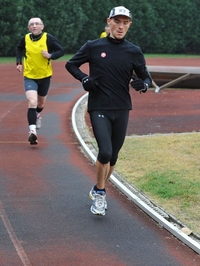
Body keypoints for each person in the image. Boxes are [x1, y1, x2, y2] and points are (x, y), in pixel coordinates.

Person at [65, 6, 152, 216]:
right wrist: (84, 79)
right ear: (109, 22)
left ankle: (97, 188)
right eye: (117, 22)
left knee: (113, 157)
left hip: (122, 107)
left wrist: (144, 84)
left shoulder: (133, 50)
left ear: (129, 25)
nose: (121, 27)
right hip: (99, 106)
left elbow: (145, 76)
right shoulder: (93, 46)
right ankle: (101, 193)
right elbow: (71, 64)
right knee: (104, 151)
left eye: (125, 23)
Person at [16, 17, 64, 145]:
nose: (34, 26)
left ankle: (37, 114)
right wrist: (19, 62)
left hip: (45, 76)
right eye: (31, 24)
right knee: (32, 101)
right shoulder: (25, 38)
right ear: (28, 28)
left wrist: (50, 55)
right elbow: (19, 49)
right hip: (30, 76)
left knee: (41, 104)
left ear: (42, 27)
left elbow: (61, 51)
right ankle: (32, 132)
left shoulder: (48, 38)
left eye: (37, 24)